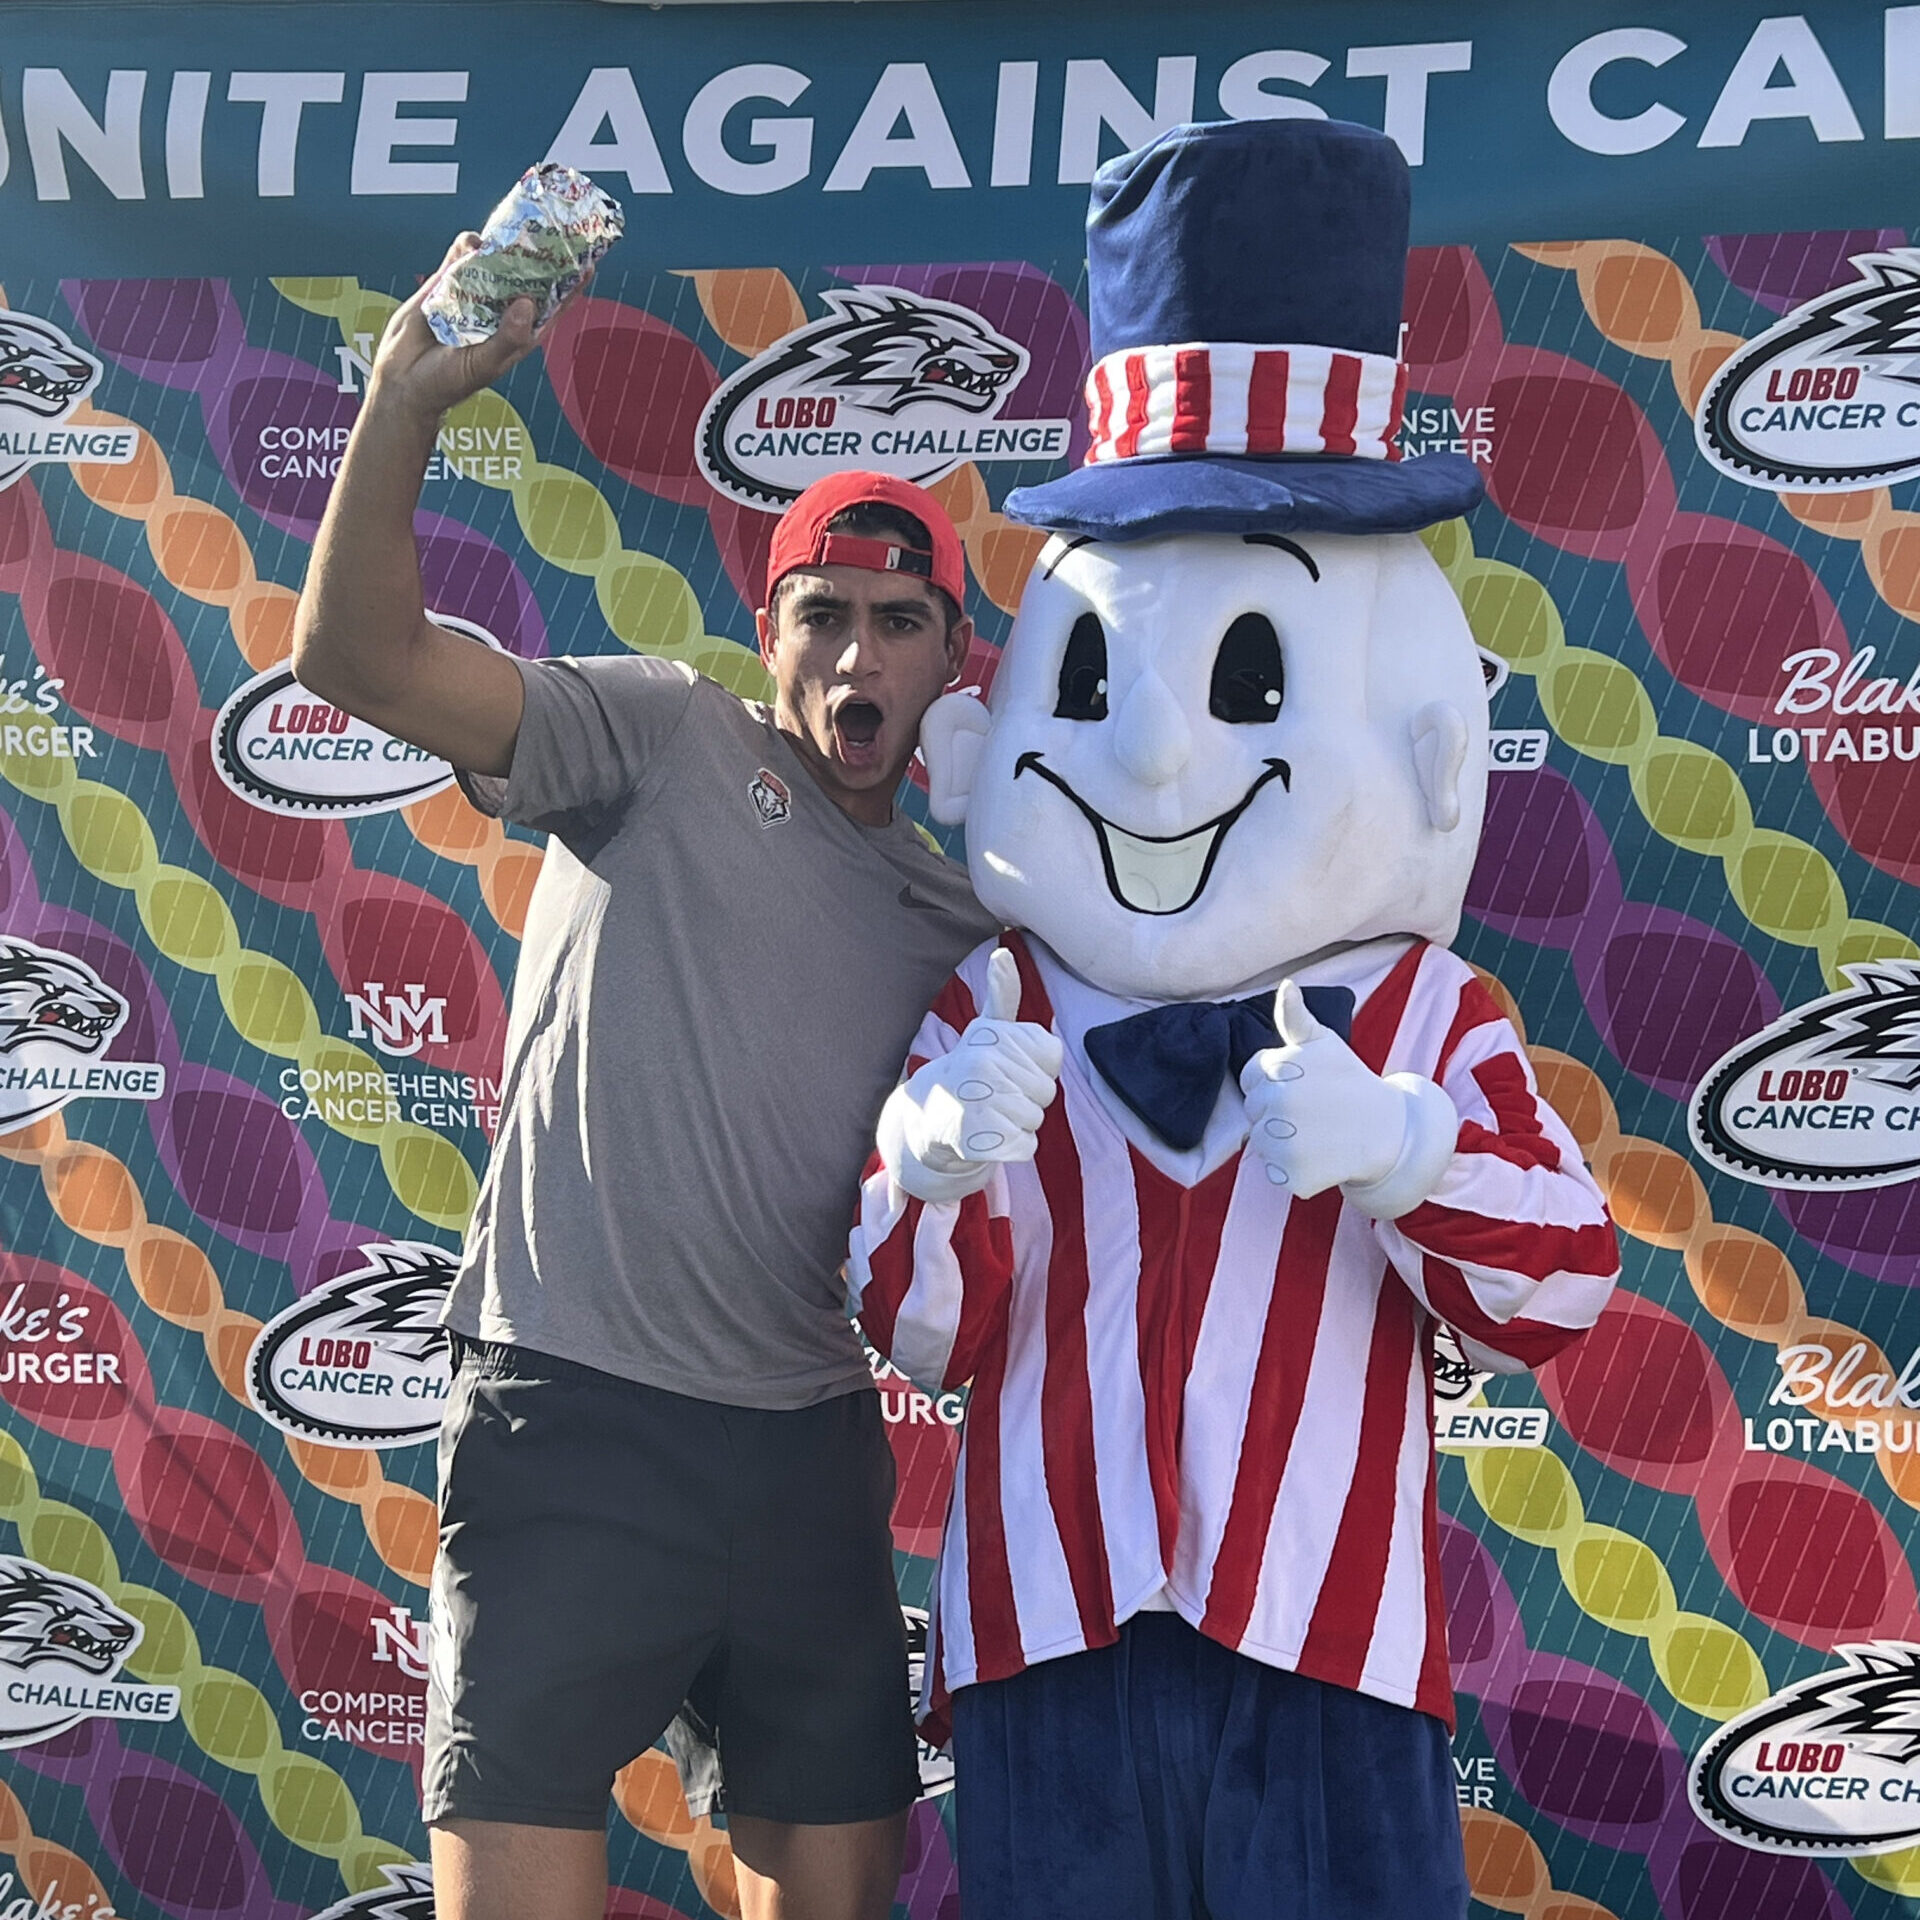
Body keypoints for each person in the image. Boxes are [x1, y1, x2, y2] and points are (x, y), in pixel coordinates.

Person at [849, 119, 1621, 1919]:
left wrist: (1409, 1151)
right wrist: (930, 1160)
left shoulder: (1429, 1007)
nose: (1160, 756)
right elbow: (919, 1333)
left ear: (1425, 719)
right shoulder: (998, 994)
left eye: (1251, 676)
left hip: (1329, 1646)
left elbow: (1559, 1288)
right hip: (1049, 1641)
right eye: (1101, 673)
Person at [292, 236, 999, 1920]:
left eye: (901, 624)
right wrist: (403, 400)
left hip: (809, 1448)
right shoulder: (666, 733)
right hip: (573, 1414)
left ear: (951, 666)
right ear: (773, 634)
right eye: (825, 615)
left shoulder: (969, 918)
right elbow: (353, 662)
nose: (859, 656)